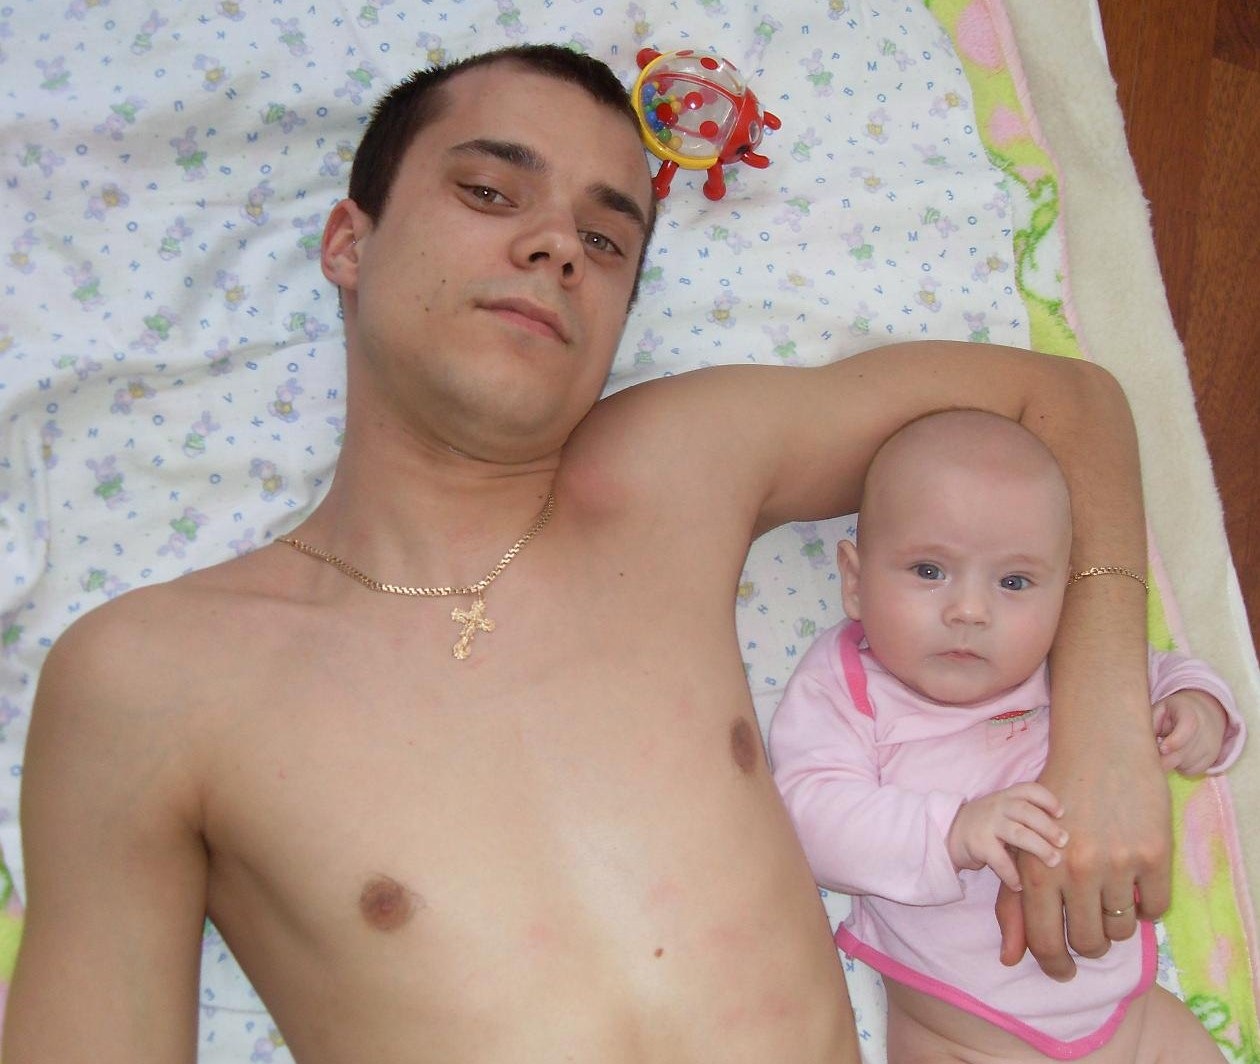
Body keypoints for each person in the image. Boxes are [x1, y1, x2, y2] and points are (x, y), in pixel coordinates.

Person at [6, 44, 1172, 1064]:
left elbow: (1063, 403)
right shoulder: (151, 677)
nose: (557, 243)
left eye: (607, 238)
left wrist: (1107, 742)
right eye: (488, 190)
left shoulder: (672, 470)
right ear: (348, 243)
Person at [770, 409, 1244, 1062]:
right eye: (929, 571)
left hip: (1130, 1019)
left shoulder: (1065, 663)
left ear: (1063, 595)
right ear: (854, 581)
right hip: (962, 1033)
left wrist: (1199, 712)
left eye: (1014, 582)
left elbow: (1164, 674)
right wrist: (952, 831)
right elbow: (810, 813)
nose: (970, 610)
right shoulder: (846, 683)